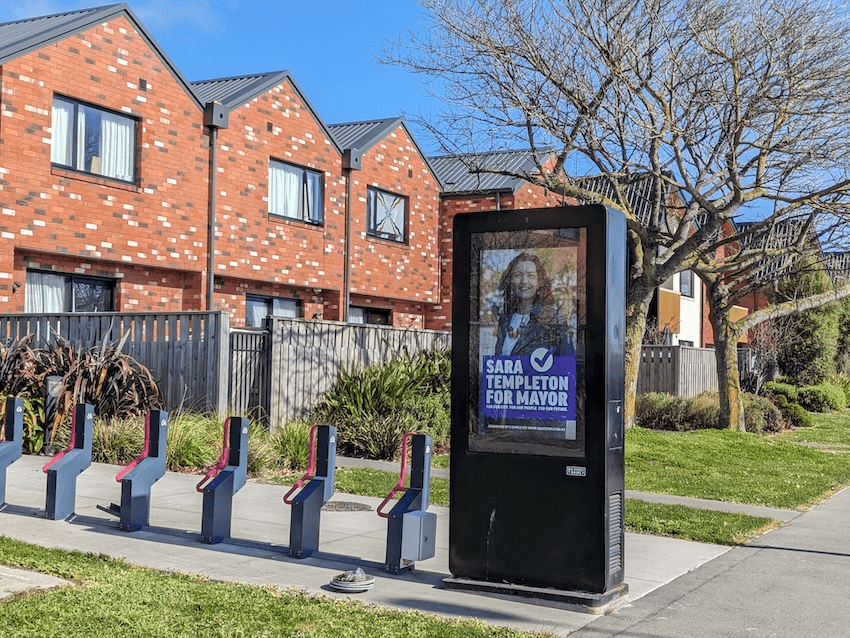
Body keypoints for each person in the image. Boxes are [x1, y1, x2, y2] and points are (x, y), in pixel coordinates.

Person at [493, 252, 573, 357]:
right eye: (518, 275)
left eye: (530, 275)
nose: (524, 281)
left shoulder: (555, 319)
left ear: (539, 282)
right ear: (511, 282)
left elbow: (567, 365)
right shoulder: (505, 320)